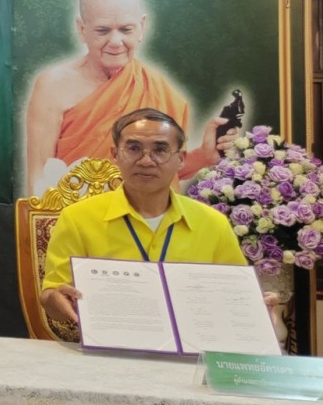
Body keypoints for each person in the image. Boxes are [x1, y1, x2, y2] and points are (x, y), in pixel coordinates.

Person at [41, 108, 257, 328]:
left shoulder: (213, 223)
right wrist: (55, 299)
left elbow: (236, 294)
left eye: (160, 150)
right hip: (111, 342)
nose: (146, 161)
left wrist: (255, 307)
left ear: (181, 159)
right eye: (134, 148)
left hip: (193, 344)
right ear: (115, 155)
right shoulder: (78, 218)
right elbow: (52, 298)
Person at [24, 0, 223, 195]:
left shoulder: (158, 89)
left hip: (145, 213)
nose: (115, 42)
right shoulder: (53, 86)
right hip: (80, 212)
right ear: (82, 29)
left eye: (126, 29)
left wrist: (204, 155)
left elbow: (163, 170)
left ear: (141, 27)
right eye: (103, 31)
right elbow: (39, 176)